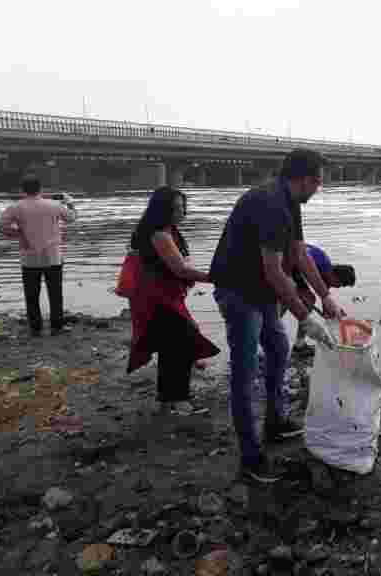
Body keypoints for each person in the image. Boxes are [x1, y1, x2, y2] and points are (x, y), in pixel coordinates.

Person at [210, 148, 338, 484]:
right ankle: (251, 457)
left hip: (261, 290)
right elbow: (273, 270)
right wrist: (305, 315)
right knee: (245, 369)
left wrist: (326, 297)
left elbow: (298, 254)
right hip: (239, 291)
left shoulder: (291, 202)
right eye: (318, 183)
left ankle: (275, 421)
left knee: (279, 348)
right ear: (305, 179)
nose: (318, 189)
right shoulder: (269, 203)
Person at [127, 186, 219, 415]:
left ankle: (167, 400)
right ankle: (179, 401)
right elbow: (181, 270)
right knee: (181, 345)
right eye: (176, 208)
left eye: (183, 207)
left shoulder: (165, 231)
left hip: (159, 298)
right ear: (163, 210)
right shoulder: (160, 235)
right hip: (158, 300)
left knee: (173, 347)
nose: (182, 213)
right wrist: (217, 278)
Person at [0, 175, 76, 336]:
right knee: (55, 293)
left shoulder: (15, 207)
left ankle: (35, 328)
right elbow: (72, 218)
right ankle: (57, 326)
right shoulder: (54, 205)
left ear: (22, 190)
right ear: (41, 189)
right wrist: (69, 202)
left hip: (29, 258)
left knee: (31, 295)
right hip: (52, 257)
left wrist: (18, 234)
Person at [292, 244, 356, 353]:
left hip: (296, 267)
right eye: (340, 284)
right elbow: (299, 257)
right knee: (308, 300)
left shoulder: (327, 277)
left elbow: (326, 303)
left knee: (308, 300)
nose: (338, 287)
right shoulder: (322, 260)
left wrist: (337, 317)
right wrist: (296, 291)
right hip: (290, 261)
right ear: (334, 276)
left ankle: (299, 344)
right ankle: (298, 344)